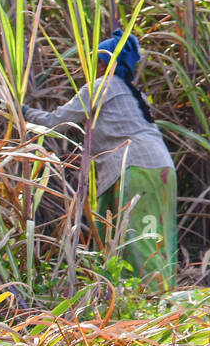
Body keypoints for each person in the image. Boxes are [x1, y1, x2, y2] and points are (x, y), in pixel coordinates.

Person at [23, 27, 177, 288]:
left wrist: (21, 110)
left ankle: (149, 302)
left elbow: (54, 123)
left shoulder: (101, 86)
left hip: (134, 168)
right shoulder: (134, 93)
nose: (94, 67)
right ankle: (156, 295)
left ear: (106, 63)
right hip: (162, 168)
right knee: (157, 235)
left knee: (134, 236)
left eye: (98, 62)